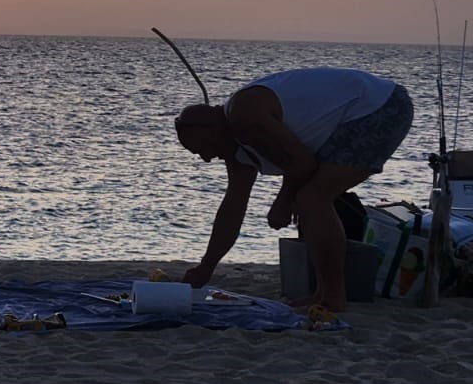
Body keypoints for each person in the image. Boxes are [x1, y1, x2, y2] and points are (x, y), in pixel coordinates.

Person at [173, 67, 413, 312]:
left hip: (378, 107)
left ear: (213, 128)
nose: (206, 157)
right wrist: (207, 266)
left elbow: (302, 163)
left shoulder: (244, 118)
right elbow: (233, 208)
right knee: (310, 199)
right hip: (353, 114)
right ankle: (322, 292)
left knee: (312, 198)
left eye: (203, 147)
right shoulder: (235, 148)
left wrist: (283, 202)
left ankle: (333, 298)